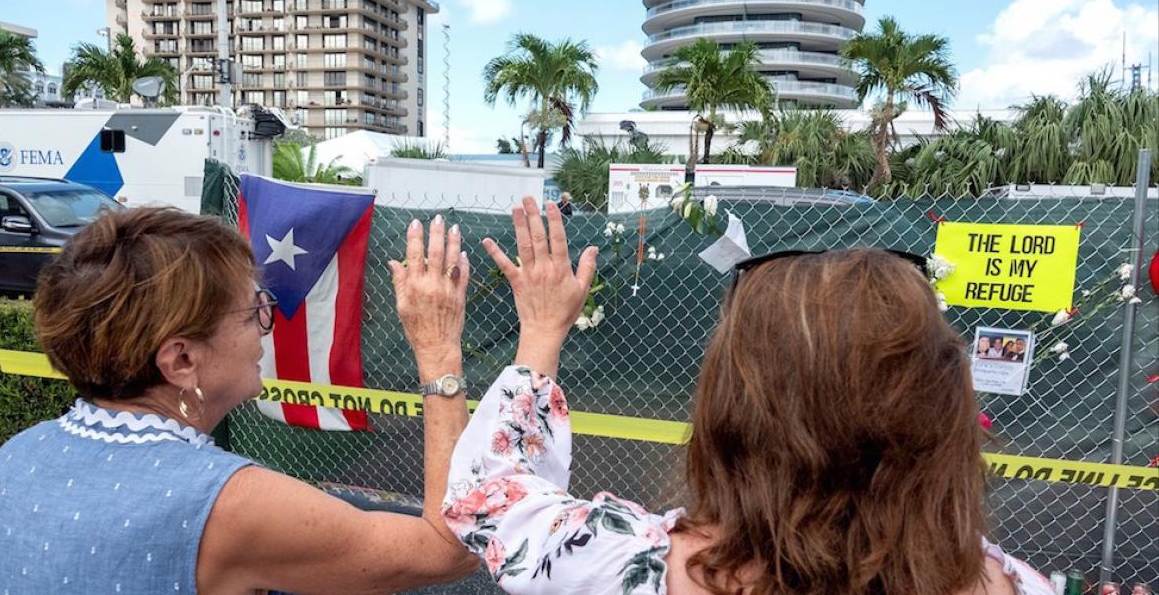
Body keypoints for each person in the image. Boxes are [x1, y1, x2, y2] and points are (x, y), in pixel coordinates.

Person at [441, 197, 1054, 595]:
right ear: (943, 408)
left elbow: (488, 495)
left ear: (730, 409)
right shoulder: (1017, 585)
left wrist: (542, 329)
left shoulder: (623, 567)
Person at [0, 207, 477, 594]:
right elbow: (449, 547)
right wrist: (438, 350)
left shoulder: (18, 455)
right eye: (253, 312)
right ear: (181, 360)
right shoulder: (228, 502)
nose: (265, 330)